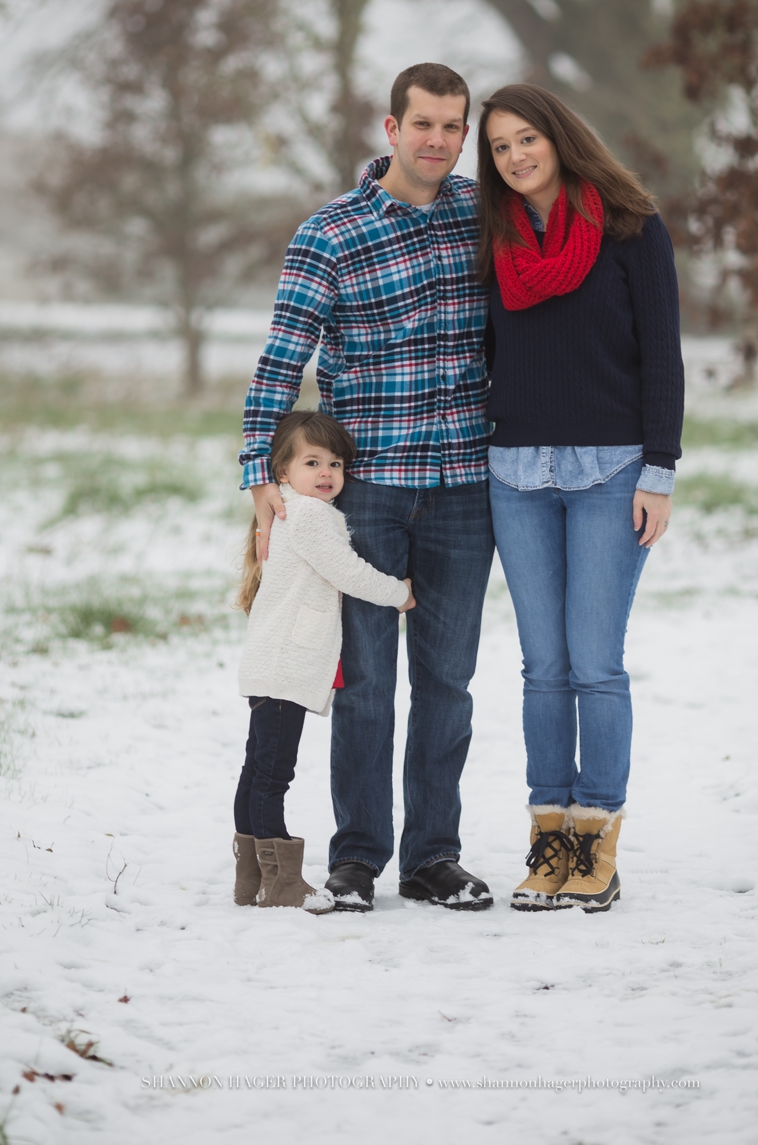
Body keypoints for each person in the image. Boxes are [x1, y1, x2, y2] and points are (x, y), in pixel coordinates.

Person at [240, 64, 495, 913]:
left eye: (453, 127)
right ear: (391, 129)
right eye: (423, 124)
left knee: (449, 684)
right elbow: (283, 359)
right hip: (370, 495)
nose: (438, 141)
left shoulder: (480, 218)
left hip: (464, 485)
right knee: (366, 685)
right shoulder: (331, 233)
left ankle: (433, 856)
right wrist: (258, 475)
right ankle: (358, 859)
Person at [477, 83, 684, 913]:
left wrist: (659, 472)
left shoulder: (633, 228)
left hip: (610, 473)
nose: (516, 156)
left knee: (595, 664)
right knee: (543, 667)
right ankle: (547, 841)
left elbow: (663, 358)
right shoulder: (490, 238)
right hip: (516, 476)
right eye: (498, 147)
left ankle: (596, 842)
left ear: (559, 137)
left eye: (527, 138)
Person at [232, 410, 415, 913]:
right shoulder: (309, 515)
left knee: (257, 771)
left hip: (272, 663)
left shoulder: (293, 510)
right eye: (312, 462)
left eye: (335, 463)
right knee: (272, 775)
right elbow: (347, 571)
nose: (327, 473)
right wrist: (397, 593)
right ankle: (283, 883)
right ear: (282, 472)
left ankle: (252, 880)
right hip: (286, 664)